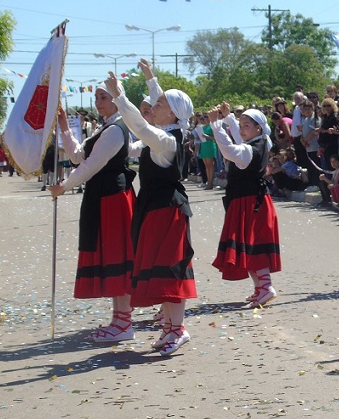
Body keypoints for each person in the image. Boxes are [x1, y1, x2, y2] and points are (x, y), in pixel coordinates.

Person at [106, 69, 196, 357]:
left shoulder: (167, 139)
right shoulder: (167, 132)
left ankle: (178, 329)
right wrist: (150, 78)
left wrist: (120, 97)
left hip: (167, 210)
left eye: (159, 106)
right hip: (156, 209)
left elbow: (142, 127)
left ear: (172, 114)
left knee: (171, 270)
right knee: (160, 269)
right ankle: (169, 327)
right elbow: (159, 110)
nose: (153, 107)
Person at [48, 85, 136, 342]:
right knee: (111, 256)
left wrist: (64, 186)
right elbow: (77, 156)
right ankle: (120, 320)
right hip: (102, 197)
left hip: (113, 198)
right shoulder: (106, 128)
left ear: (117, 100)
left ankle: (124, 323)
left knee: (118, 257)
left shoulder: (116, 130)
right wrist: (64, 125)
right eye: (97, 97)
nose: (99, 102)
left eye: (104, 97)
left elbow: (91, 164)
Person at [209, 102, 282, 306]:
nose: (241, 129)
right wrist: (229, 118)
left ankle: (266, 287)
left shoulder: (252, 149)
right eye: (240, 125)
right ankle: (261, 288)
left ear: (258, 128)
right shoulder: (258, 142)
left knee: (254, 244)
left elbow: (230, 150)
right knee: (248, 245)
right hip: (247, 200)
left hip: (251, 202)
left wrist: (216, 126)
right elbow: (239, 139)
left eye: (246, 125)